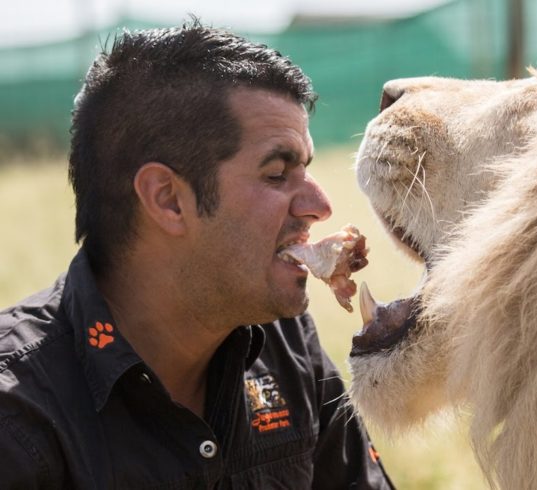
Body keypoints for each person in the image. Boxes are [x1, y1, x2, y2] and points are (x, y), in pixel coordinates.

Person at [0, 20, 394, 489]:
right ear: (168, 199)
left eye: (305, 169)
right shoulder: (18, 418)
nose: (320, 206)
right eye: (276, 173)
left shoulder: (286, 346)